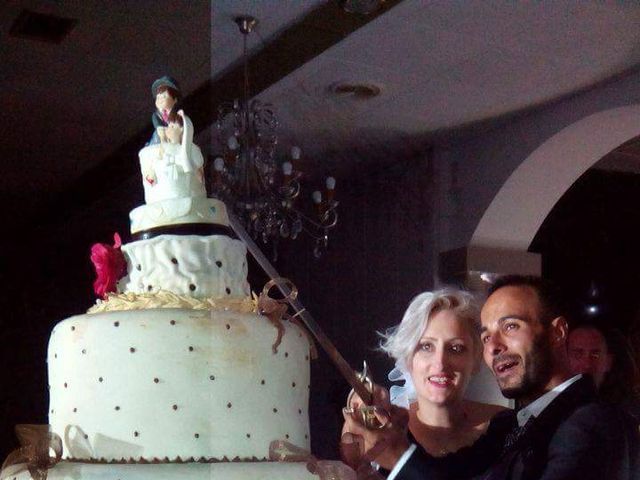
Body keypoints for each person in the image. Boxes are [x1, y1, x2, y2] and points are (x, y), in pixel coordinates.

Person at [342, 275, 640, 480]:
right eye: (486, 337)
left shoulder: (591, 422)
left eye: (510, 327)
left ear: (557, 333)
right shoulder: (510, 425)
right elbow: (450, 476)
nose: (494, 346)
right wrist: (392, 434)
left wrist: (397, 456)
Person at [343, 289, 504, 462]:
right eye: (426, 347)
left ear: (476, 359)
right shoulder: (381, 434)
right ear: (408, 358)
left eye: (455, 348)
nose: (440, 363)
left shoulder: (505, 427)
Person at [568, 323, 640, 420]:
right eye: (577, 355)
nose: (587, 364)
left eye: (595, 355)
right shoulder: (551, 406)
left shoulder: (627, 413)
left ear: (608, 362)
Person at [148, 75, 181, 145]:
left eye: (164, 96)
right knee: (157, 136)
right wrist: (163, 136)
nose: (160, 99)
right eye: (158, 97)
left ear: (175, 100)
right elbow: (159, 128)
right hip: (160, 137)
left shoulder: (176, 115)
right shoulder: (156, 115)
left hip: (173, 138)